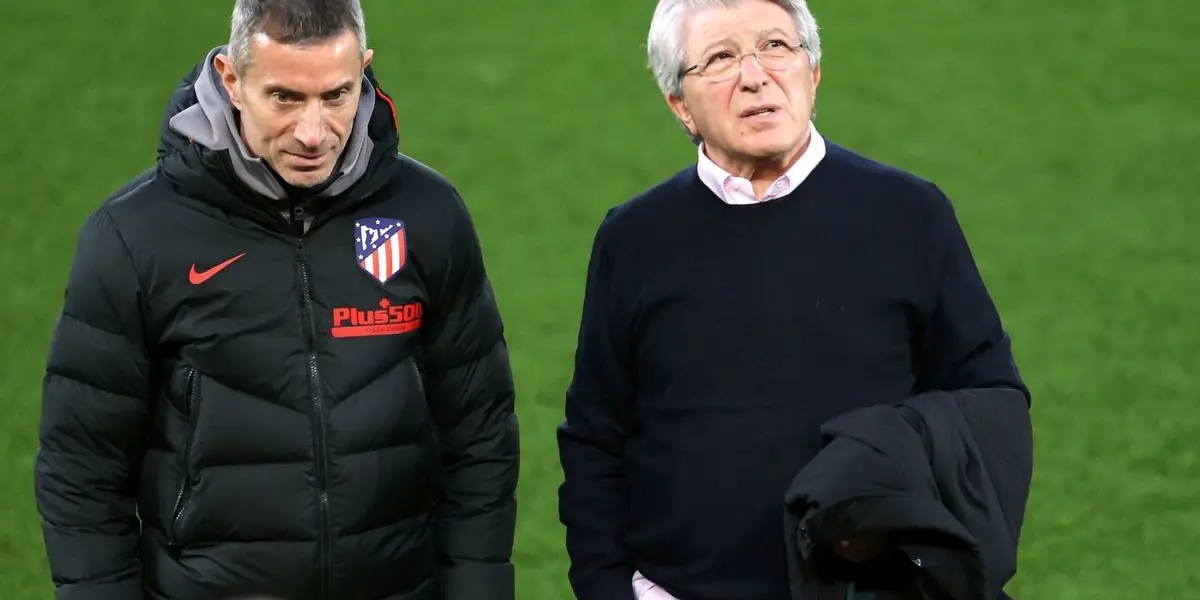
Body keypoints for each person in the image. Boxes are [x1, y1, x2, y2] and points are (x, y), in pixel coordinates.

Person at [34, 1, 519, 599]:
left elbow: (481, 437)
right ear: (231, 80)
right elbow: (82, 470)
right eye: (285, 97)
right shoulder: (134, 237)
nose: (314, 133)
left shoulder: (428, 215)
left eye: (337, 96)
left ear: (364, 71)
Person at [556, 1, 1031, 599]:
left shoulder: (911, 215)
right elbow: (596, 433)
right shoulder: (633, 238)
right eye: (722, 58)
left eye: (776, 46)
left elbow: (992, 401)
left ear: (814, 73)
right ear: (681, 107)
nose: (756, 75)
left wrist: (882, 486)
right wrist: (610, 589)